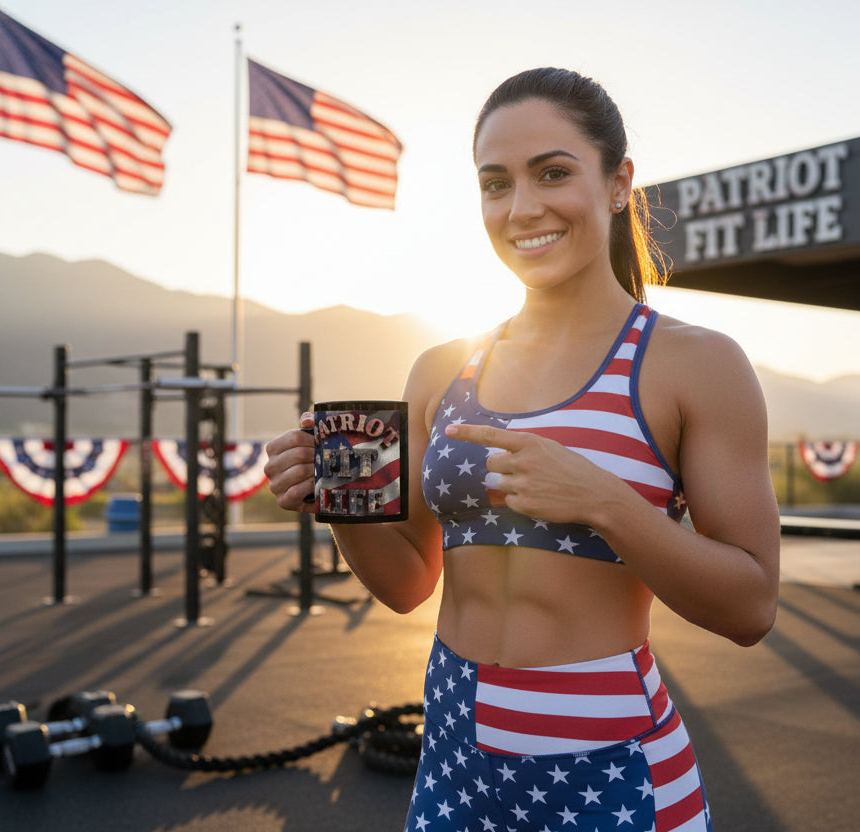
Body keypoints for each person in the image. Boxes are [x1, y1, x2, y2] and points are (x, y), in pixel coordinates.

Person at [264, 66, 780, 832]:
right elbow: (409, 583)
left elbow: (752, 605)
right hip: (453, 764)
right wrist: (336, 502)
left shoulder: (695, 363)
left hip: (611, 774)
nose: (522, 207)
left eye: (553, 173)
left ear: (617, 183)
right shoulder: (443, 367)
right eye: (495, 183)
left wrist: (605, 502)